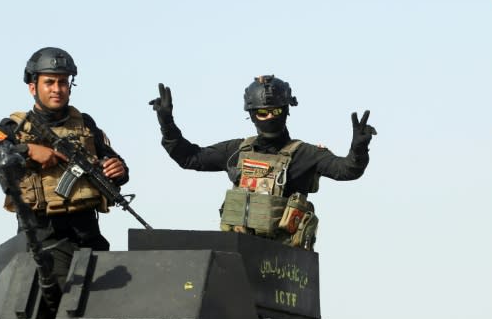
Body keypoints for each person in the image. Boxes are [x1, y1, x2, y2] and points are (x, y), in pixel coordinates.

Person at [149, 75, 376, 249]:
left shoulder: (305, 154)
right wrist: (167, 123)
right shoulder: (237, 150)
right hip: (238, 251)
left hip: (284, 258)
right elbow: (190, 158)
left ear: (286, 111)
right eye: (262, 112)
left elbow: (347, 170)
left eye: (275, 110)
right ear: (252, 113)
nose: (270, 117)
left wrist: (359, 147)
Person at [0, 47, 129, 285]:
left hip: (87, 233)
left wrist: (119, 169)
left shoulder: (85, 125)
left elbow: (112, 164)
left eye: (63, 82)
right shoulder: (14, 128)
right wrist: (27, 150)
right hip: (43, 235)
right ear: (33, 87)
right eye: (50, 82)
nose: (57, 89)